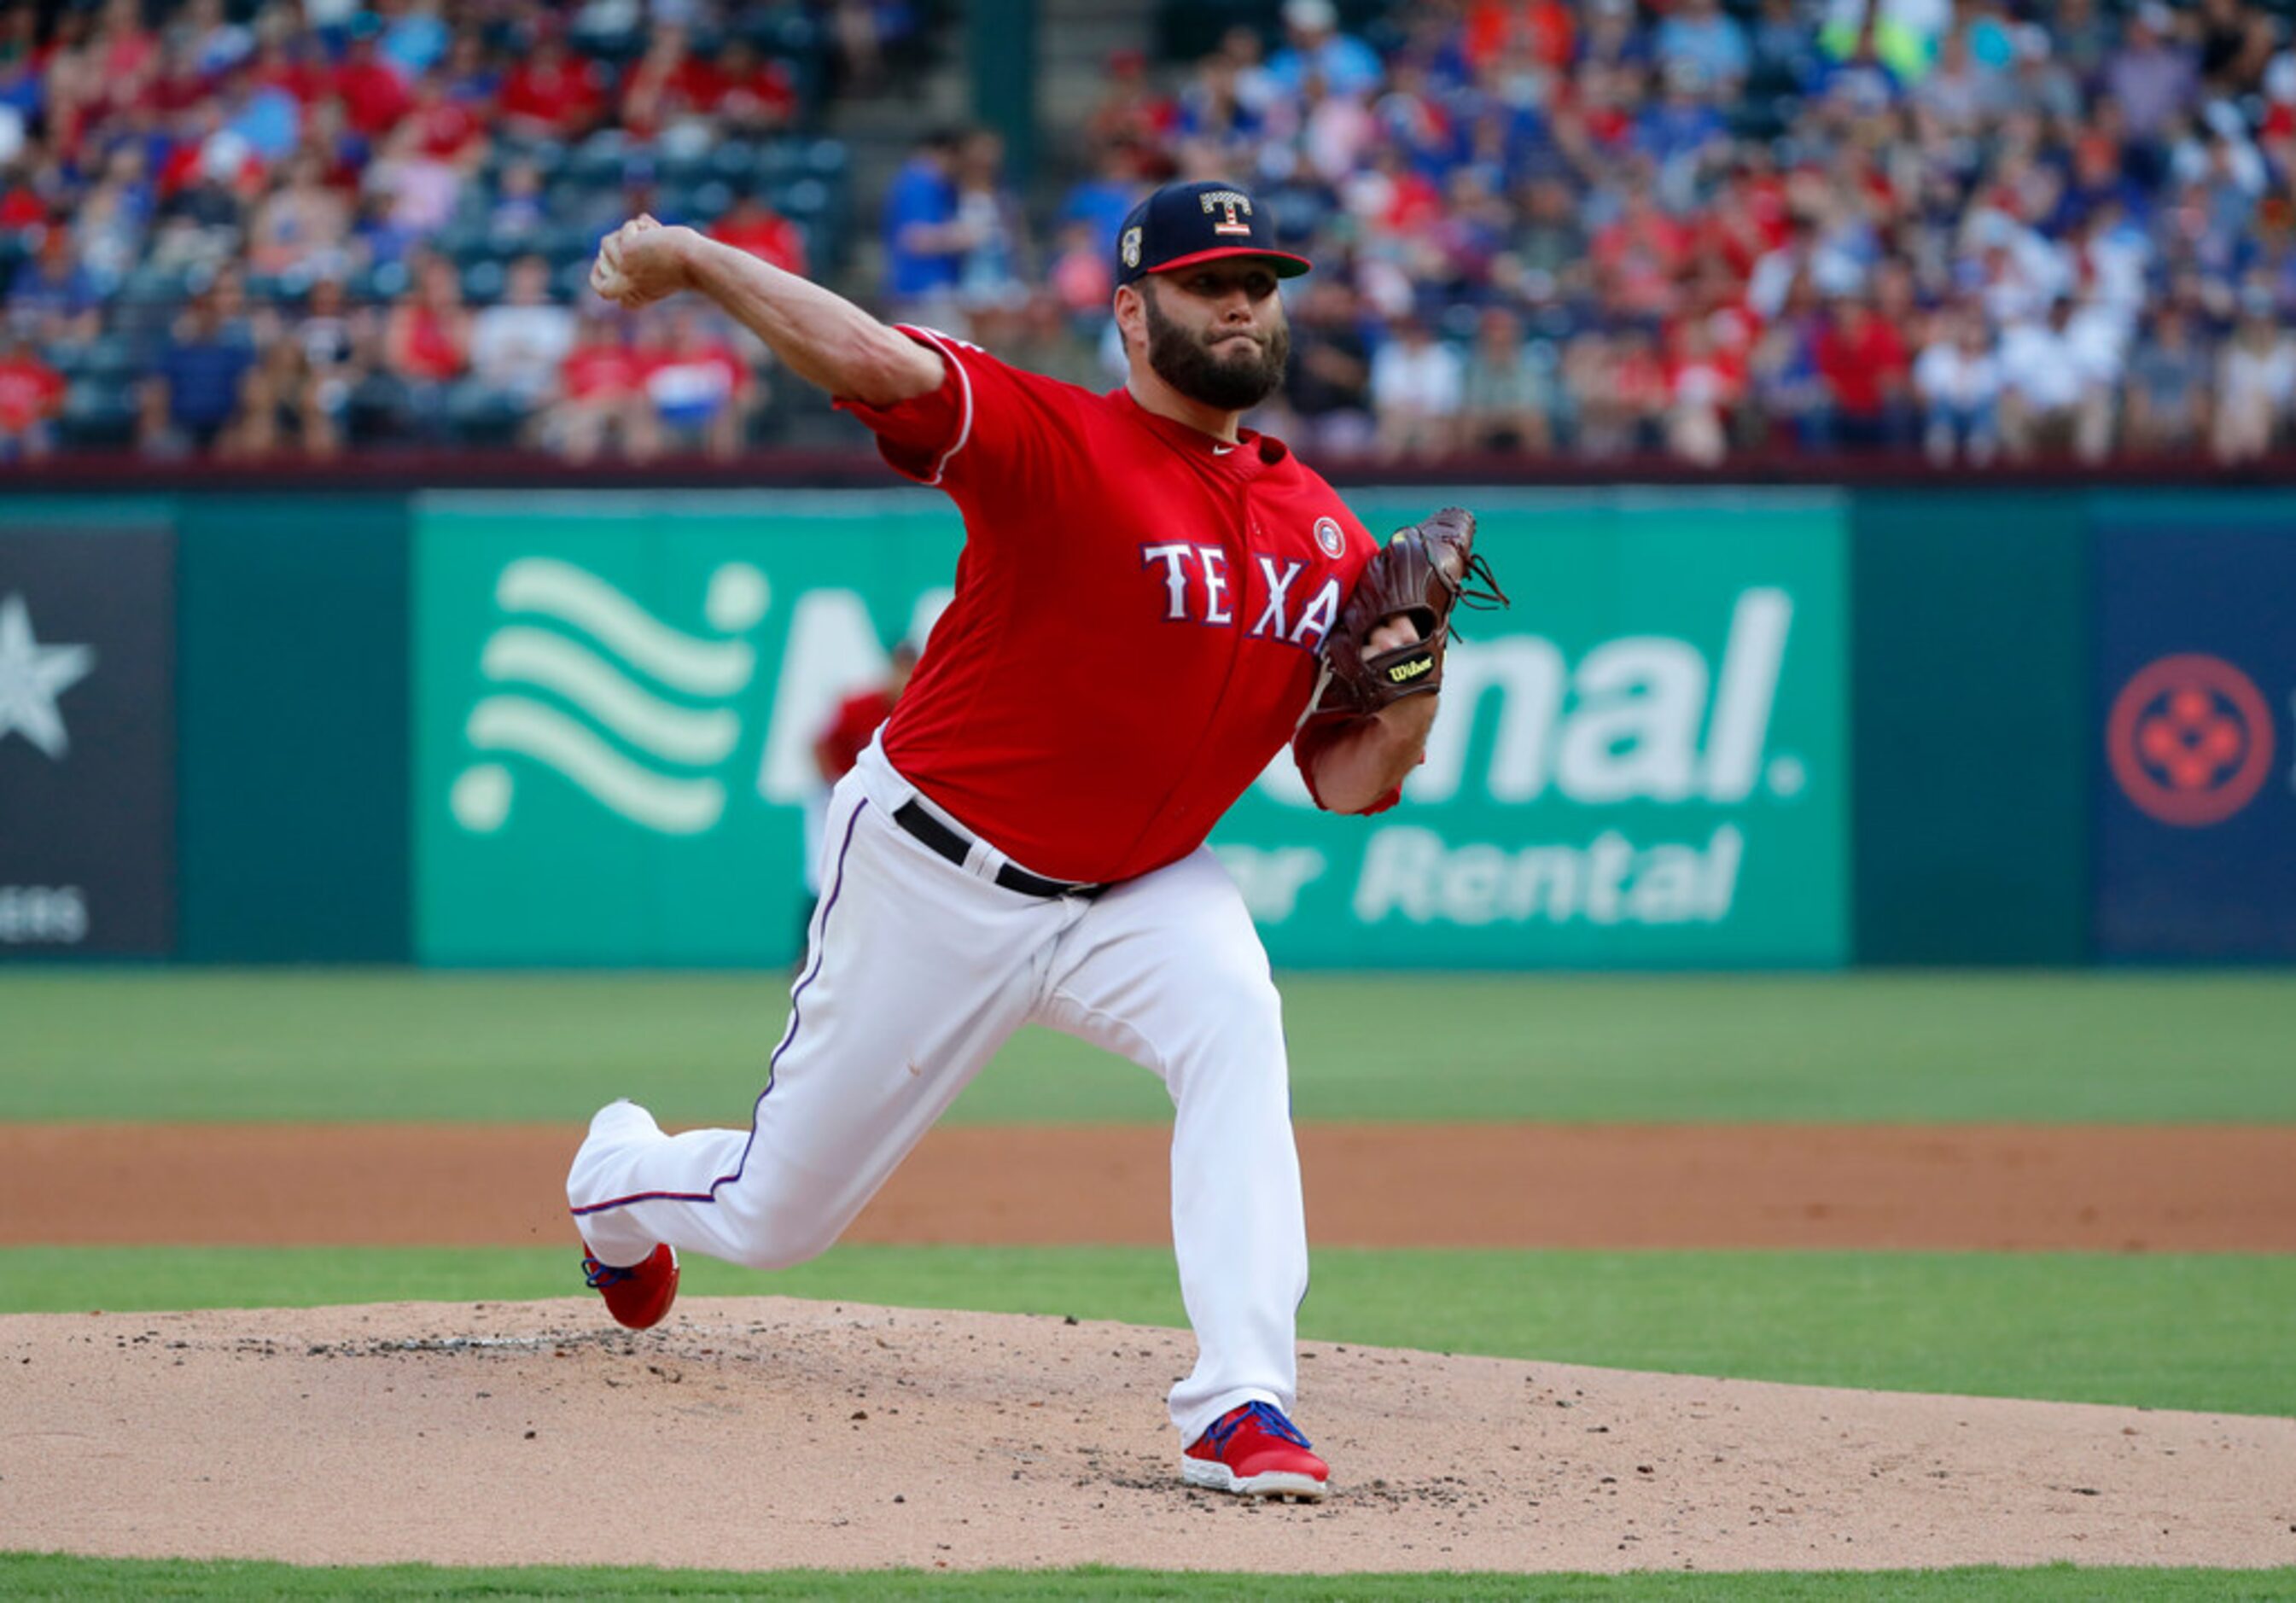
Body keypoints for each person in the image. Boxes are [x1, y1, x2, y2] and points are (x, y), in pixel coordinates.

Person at [569, 178, 1450, 1503]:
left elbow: (1342, 779)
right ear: (1128, 312)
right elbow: (873, 359)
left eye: (1257, 284)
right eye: (1207, 282)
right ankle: (616, 1177)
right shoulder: (1054, 438)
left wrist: (1412, 689)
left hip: (1143, 886)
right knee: (777, 1217)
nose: (1238, 304)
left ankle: (1242, 1400)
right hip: (938, 867)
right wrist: (698, 259)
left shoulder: (1324, 531)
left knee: (1235, 1018)